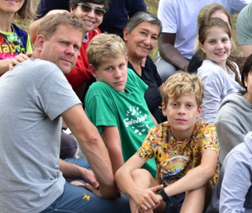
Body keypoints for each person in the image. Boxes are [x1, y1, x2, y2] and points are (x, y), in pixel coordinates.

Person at [0, 13, 129, 212]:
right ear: (40, 42)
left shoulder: (23, 69)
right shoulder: (46, 71)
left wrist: (81, 173)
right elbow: (90, 138)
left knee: (92, 169)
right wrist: (109, 191)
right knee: (125, 203)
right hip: (31, 202)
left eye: (76, 46)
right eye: (64, 42)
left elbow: (35, 157)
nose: (71, 51)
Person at [115, 72, 219, 213]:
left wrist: (163, 193)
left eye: (189, 106)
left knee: (197, 178)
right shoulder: (158, 134)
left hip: (199, 200)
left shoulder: (205, 130)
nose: (181, 111)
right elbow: (122, 172)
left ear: (198, 111)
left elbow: (207, 169)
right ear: (164, 109)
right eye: (175, 105)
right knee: (139, 175)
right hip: (166, 202)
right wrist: (137, 194)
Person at [84, 33, 158, 177]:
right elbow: (113, 146)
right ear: (94, 71)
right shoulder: (99, 91)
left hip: (159, 156)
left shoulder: (129, 75)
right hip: (139, 172)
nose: (118, 74)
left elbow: (148, 116)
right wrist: (122, 182)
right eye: (109, 69)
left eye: (121, 65)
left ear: (126, 60)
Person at [30, 0, 110, 100]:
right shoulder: (58, 27)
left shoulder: (97, 37)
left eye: (98, 12)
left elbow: (83, 77)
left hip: (69, 98)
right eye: (86, 8)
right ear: (72, 8)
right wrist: (50, 15)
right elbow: (32, 35)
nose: (92, 15)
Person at [197, 18, 245, 123]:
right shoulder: (210, 73)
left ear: (230, 41)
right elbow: (211, 119)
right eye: (212, 42)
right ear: (202, 47)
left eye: (224, 40)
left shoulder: (232, 66)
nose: (220, 46)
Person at [124, 11, 166, 124]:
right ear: (126, 34)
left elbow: (166, 93)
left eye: (153, 37)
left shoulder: (146, 62)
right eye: (143, 33)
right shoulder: (119, 69)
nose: (148, 42)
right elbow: (142, 114)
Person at [188, 3, 242, 73]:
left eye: (224, 23)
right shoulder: (202, 65)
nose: (220, 27)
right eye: (214, 23)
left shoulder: (231, 59)